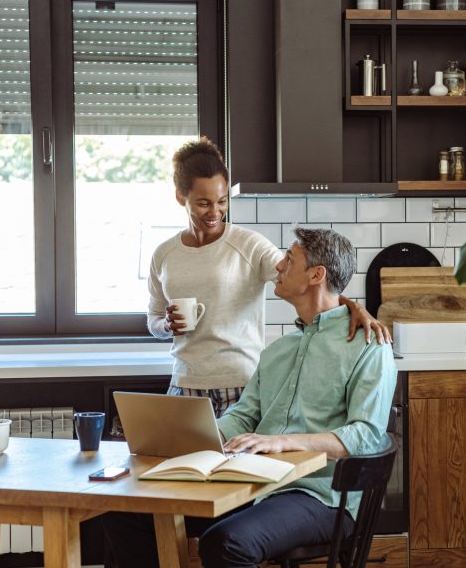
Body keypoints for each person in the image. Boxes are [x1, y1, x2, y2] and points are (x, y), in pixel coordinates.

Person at [104, 227, 396, 568]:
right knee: (128, 511)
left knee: (225, 543)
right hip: (258, 484)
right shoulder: (279, 350)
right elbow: (244, 415)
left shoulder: (368, 346)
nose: (279, 265)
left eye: (289, 259)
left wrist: (285, 442)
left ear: (316, 275)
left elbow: (365, 436)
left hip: (321, 496)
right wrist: (188, 438)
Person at [147, 137, 389, 417]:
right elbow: (153, 319)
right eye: (203, 203)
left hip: (240, 386)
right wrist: (165, 325)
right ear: (180, 196)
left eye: (222, 201)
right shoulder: (164, 254)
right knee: (180, 461)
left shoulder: (248, 244)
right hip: (183, 384)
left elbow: (306, 281)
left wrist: (355, 307)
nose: (215, 212)